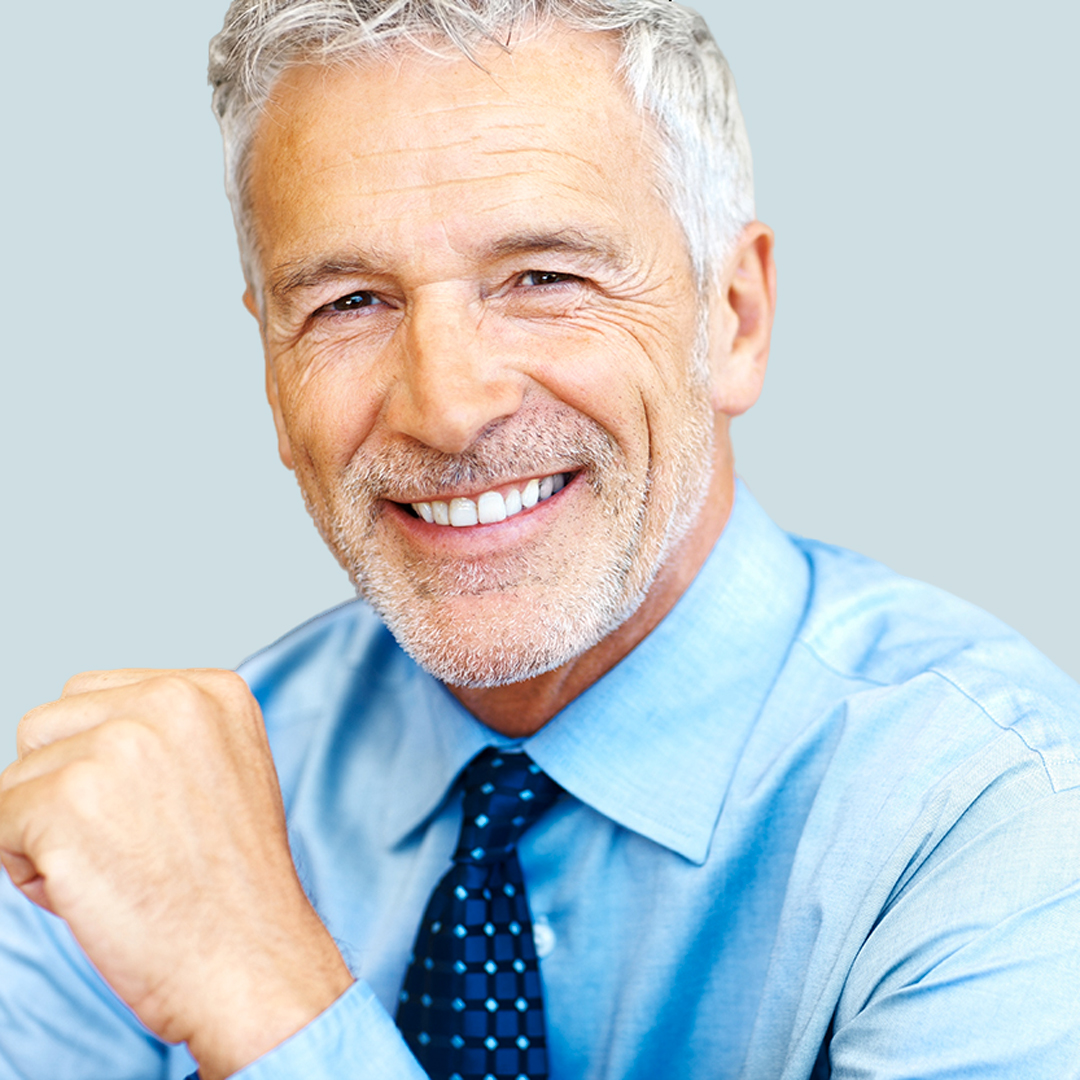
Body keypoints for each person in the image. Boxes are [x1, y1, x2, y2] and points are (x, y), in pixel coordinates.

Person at [1, 0, 1079, 1078]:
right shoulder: (153, 823)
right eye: (350, 302)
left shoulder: (995, 819)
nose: (447, 404)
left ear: (735, 319)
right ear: (272, 379)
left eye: (544, 278)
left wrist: (267, 997)